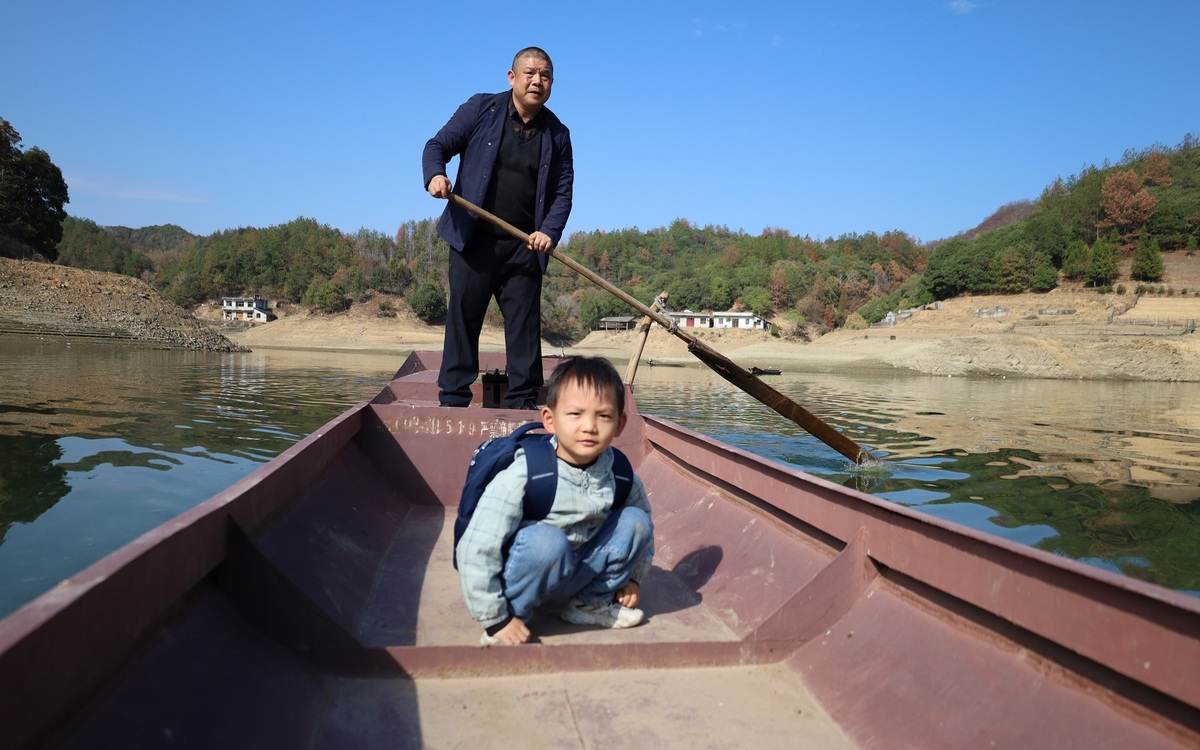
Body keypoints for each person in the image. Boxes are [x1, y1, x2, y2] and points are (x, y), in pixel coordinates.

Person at [456, 356, 655, 646]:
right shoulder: (527, 473)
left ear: (620, 423)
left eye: (603, 416)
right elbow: (478, 546)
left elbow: (643, 532)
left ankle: (589, 604)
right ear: (550, 420)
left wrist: (633, 578)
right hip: (527, 572)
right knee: (547, 542)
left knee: (636, 521)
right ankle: (512, 615)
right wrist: (494, 616)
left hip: (577, 576)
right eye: (575, 414)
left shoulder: (620, 473)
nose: (589, 426)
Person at [422, 46, 574, 409]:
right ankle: (454, 401)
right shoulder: (481, 108)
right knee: (463, 321)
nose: (538, 81)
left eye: (545, 76)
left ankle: (522, 404)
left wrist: (549, 231)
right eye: (530, 73)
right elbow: (437, 145)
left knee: (523, 330)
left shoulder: (558, 134)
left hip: (524, 247)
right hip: (472, 241)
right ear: (512, 77)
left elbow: (562, 193)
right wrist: (436, 175)